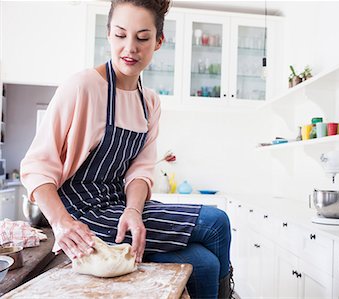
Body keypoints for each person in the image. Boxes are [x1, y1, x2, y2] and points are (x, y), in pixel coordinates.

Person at [20, 0, 233, 298]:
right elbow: (36, 166)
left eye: (142, 37)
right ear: (108, 34)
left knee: (205, 264)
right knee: (216, 222)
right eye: (120, 35)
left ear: (159, 42)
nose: (130, 48)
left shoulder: (149, 103)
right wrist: (61, 223)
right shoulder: (82, 87)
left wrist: (134, 210)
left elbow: (141, 170)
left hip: (121, 209)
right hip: (81, 215)